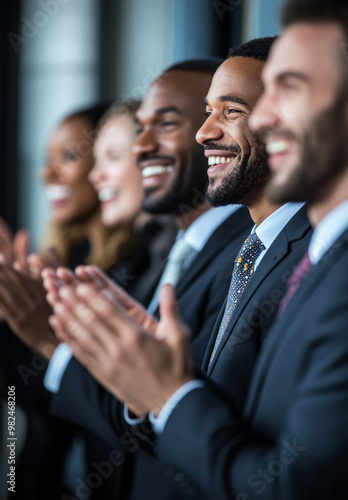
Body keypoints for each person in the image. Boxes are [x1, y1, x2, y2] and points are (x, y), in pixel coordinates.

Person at [46, 2, 348, 499]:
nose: (205, 132)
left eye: (233, 111)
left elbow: (289, 482)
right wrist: (161, 374)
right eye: (209, 111)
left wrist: (171, 392)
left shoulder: (310, 257)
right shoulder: (262, 249)